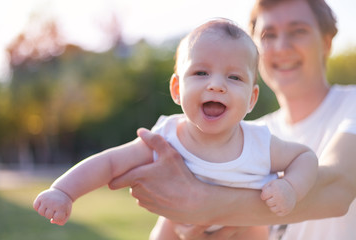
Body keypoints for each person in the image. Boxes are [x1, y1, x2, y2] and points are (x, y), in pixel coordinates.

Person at [33, 19, 318, 240]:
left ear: (252, 99)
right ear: (177, 89)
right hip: (178, 225)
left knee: (256, 231)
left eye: (234, 77)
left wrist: (290, 187)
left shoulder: (259, 143)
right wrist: (64, 192)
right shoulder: (165, 137)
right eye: (201, 72)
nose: (216, 84)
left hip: (242, 226)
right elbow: (109, 162)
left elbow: (305, 157)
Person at [108, 0, 356, 239]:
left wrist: (201, 202)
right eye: (269, 35)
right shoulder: (246, 136)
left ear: (326, 42)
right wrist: (191, 229)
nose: (281, 46)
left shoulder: (351, 105)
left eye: (298, 31)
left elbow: (337, 189)